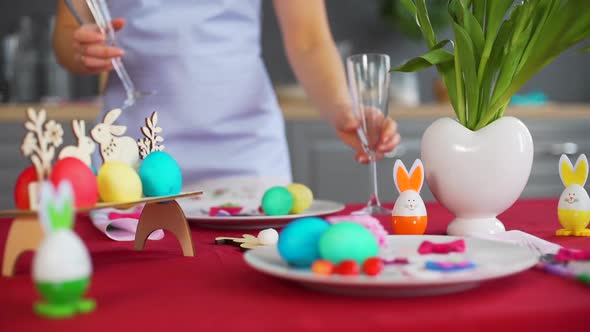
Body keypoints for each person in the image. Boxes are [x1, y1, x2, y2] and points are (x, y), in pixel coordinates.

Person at [53, 0, 400, 185]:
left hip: (245, 154)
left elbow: (308, 39)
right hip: (129, 155)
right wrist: (80, 48)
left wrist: (344, 110)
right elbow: (69, 29)